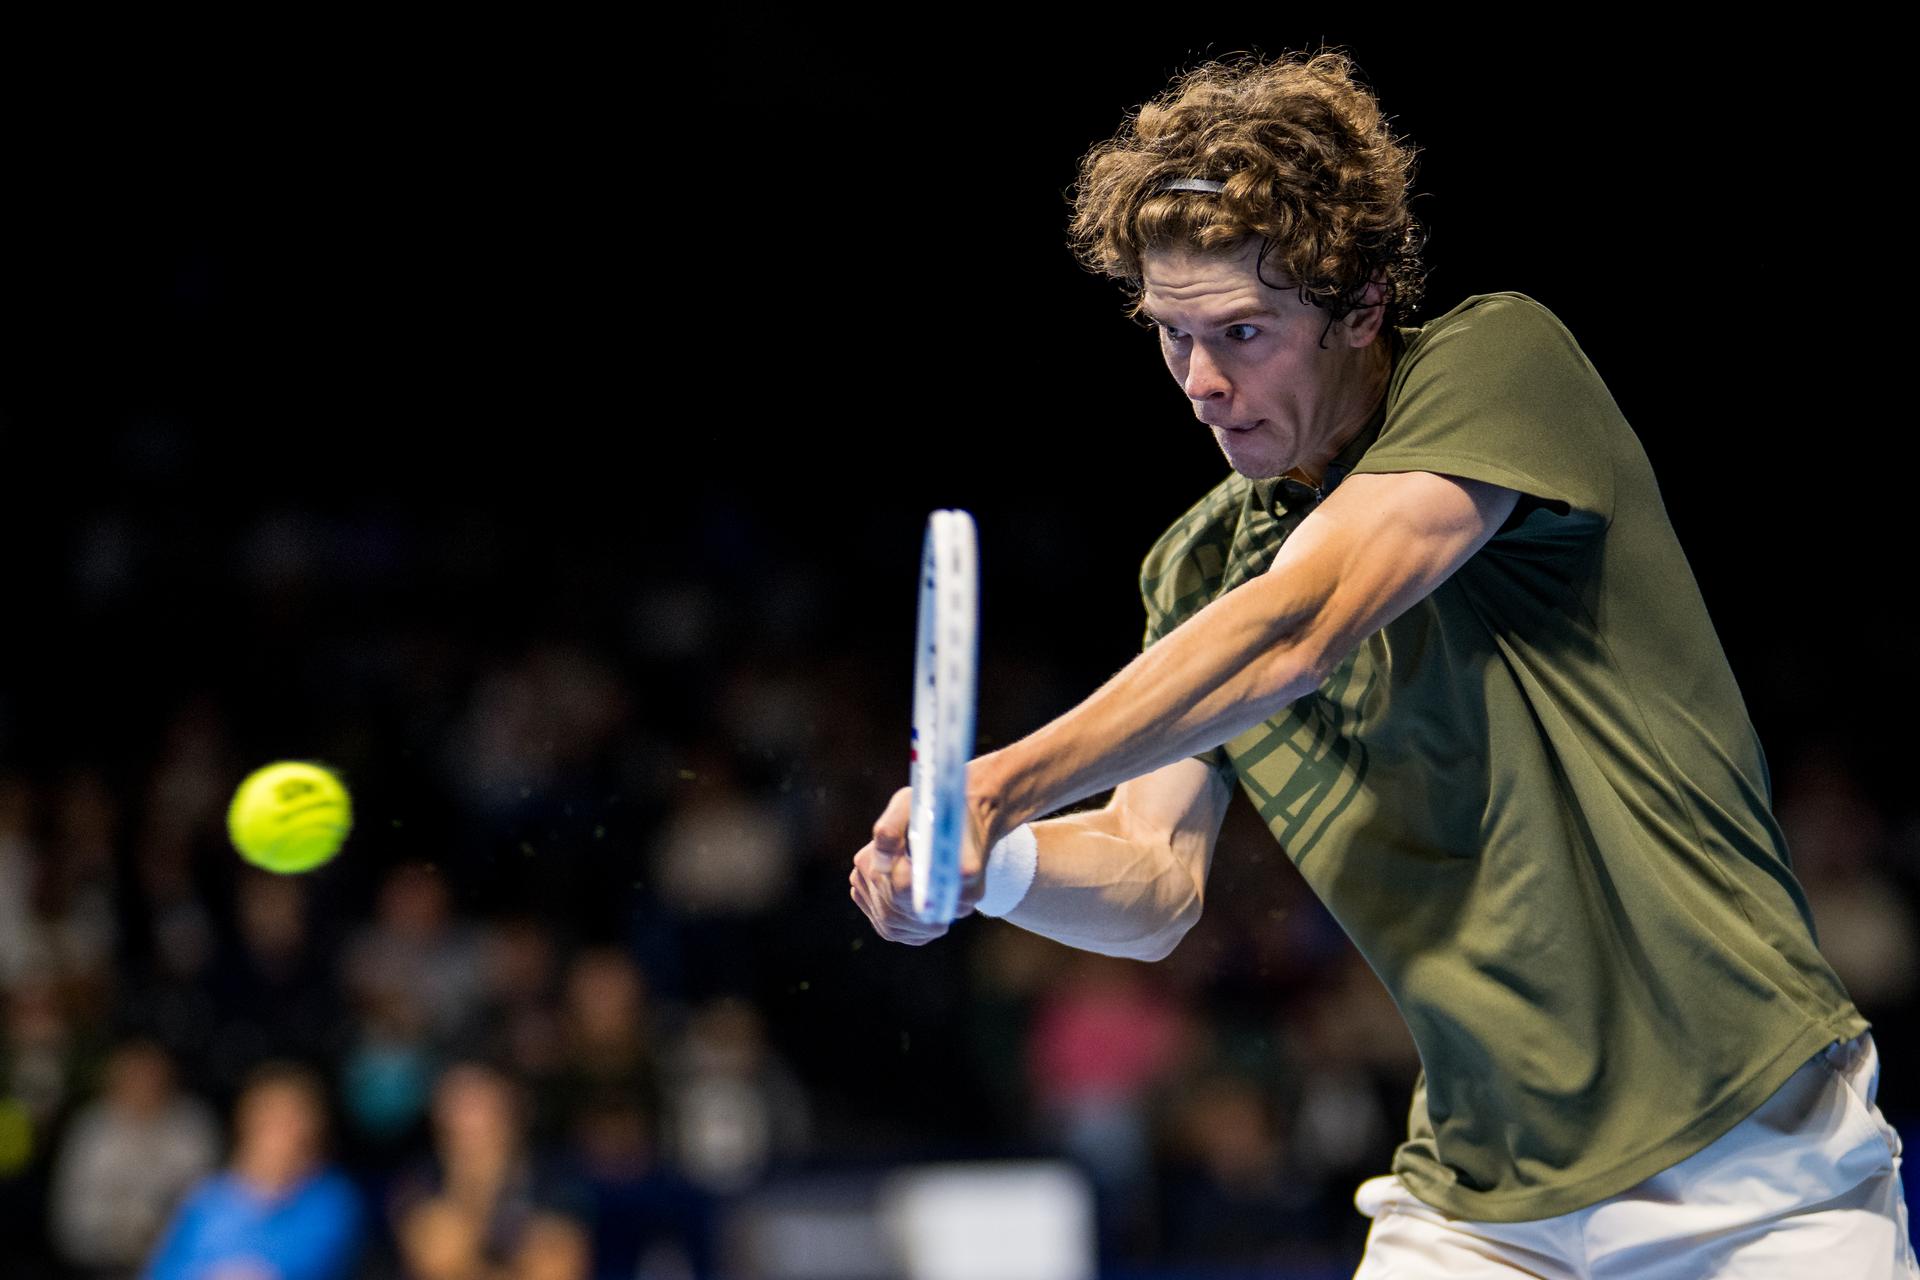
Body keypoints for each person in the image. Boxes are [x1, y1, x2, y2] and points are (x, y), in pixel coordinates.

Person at [849, 48, 1919, 1276]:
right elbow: (1151, 880)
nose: (1201, 383)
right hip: (1476, 1202)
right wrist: (984, 861)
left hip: (1759, 1174)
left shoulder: (1497, 366)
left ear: (1360, 307)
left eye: (1242, 332)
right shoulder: (1197, 572)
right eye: (1173, 335)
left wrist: (996, 782)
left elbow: (1300, 624)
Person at [143, 1060, 364, 1280]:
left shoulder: (332, 1199)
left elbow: (313, 1262)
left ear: (314, 1127)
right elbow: (165, 1269)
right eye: (269, 1116)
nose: (279, 1132)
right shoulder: (209, 1197)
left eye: (291, 1119)